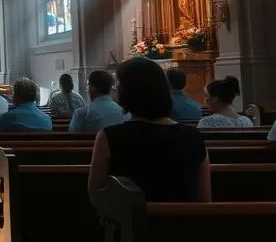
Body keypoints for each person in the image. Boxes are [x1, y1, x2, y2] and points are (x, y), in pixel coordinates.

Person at [88, 57, 210, 203]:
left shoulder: (108, 137)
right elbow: (204, 199)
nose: (116, 89)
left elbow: (96, 194)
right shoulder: (194, 137)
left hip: (129, 224)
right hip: (181, 224)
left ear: (126, 92)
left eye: (118, 85)